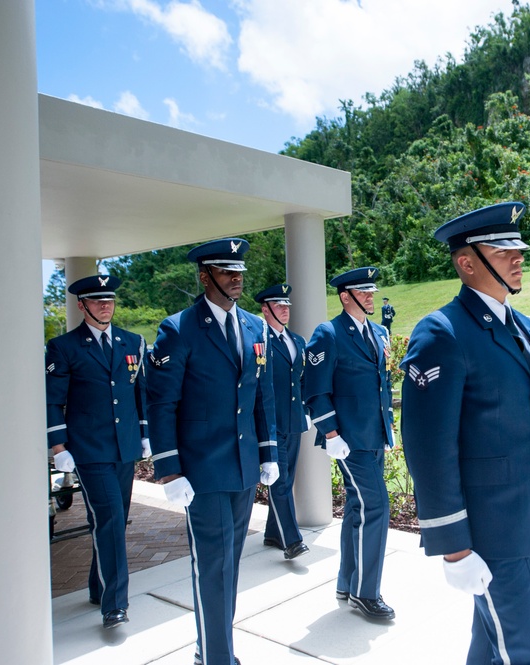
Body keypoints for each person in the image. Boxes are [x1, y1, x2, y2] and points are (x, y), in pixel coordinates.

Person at [401, 201, 530, 665]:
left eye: (518, 249)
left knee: (493, 644)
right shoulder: (442, 333)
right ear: (466, 262)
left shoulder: (527, 328)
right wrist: (452, 545)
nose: (518, 258)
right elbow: (428, 446)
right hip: (487, 529)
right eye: (501, 250)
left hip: (525, 520)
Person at [148, 238, 279, 665]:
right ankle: (217, 657)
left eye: (239, 271)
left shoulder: (255, 328)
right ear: (205, 277)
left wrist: (269, 452)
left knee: (228, 564)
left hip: (242, 469)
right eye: (226, 272)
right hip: (200, 471)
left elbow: (262, 395)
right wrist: (168, 469)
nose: (236, 278)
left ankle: (210, 648)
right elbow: (161, 402)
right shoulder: (179, 328)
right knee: (214, 566)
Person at [45, 274, 151, 630]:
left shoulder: (132, 341)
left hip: (124, 448)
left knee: (113, 521)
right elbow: (52, 400)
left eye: (109, 300)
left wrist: (145, 435)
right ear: (81, 305)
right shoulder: (63, 347)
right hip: (89, 450)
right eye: (97, 300)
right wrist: (58, 448)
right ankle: (114, 604)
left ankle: (97, 586)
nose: (105, 305)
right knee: (108, 520)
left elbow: (140, 394)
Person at [303, 266, 396, 621]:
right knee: (376, 507)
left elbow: (380, 384)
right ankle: (365, 593)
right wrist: (330, 434)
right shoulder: (328, 333)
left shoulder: (377, 332)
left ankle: (347, 583)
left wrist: (386, 430)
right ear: (346, 297)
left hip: (373, 436)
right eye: (363, 291)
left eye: (372, 291)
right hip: (347, 439)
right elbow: (315, 389)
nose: (371, 296)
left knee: (359, 509)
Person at [254, 283, 310, 560]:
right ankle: (291, 539)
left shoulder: (297, 341)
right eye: (278, 306)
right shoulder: (259, 342)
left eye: (286, 306)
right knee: (280, 481)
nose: (285, 310)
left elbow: (301, 380)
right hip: (269, 423)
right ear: (265, 310)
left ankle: (273, 533)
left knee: (286, 479)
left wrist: (306, 412)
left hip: (294, 421)